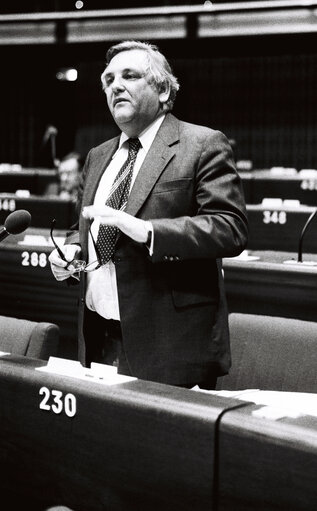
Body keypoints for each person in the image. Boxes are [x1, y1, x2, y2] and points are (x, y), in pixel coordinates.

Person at [49, 40, 248, 389]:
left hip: (169, 344)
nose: (115, 86)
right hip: (98, 336)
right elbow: (80, 228)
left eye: (129, 76)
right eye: (108, 79)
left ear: (163, 89)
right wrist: (71, 253)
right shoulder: (98, 156)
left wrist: (148, 231)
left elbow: (229, 227)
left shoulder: (201, 144)